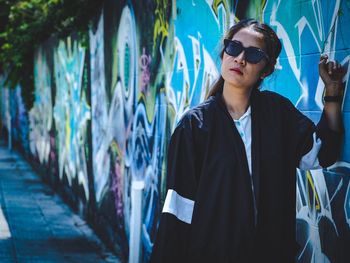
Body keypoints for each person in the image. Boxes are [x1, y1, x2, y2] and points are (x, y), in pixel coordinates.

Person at [150, 19, 345, 263]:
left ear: (266, 69)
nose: (240, 58)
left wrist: (333, 94)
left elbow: (322, 154)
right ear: (224, 53)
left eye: (253, 54)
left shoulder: (278, 114)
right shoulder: (195, 126)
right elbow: (178, 212)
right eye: (233, 48)